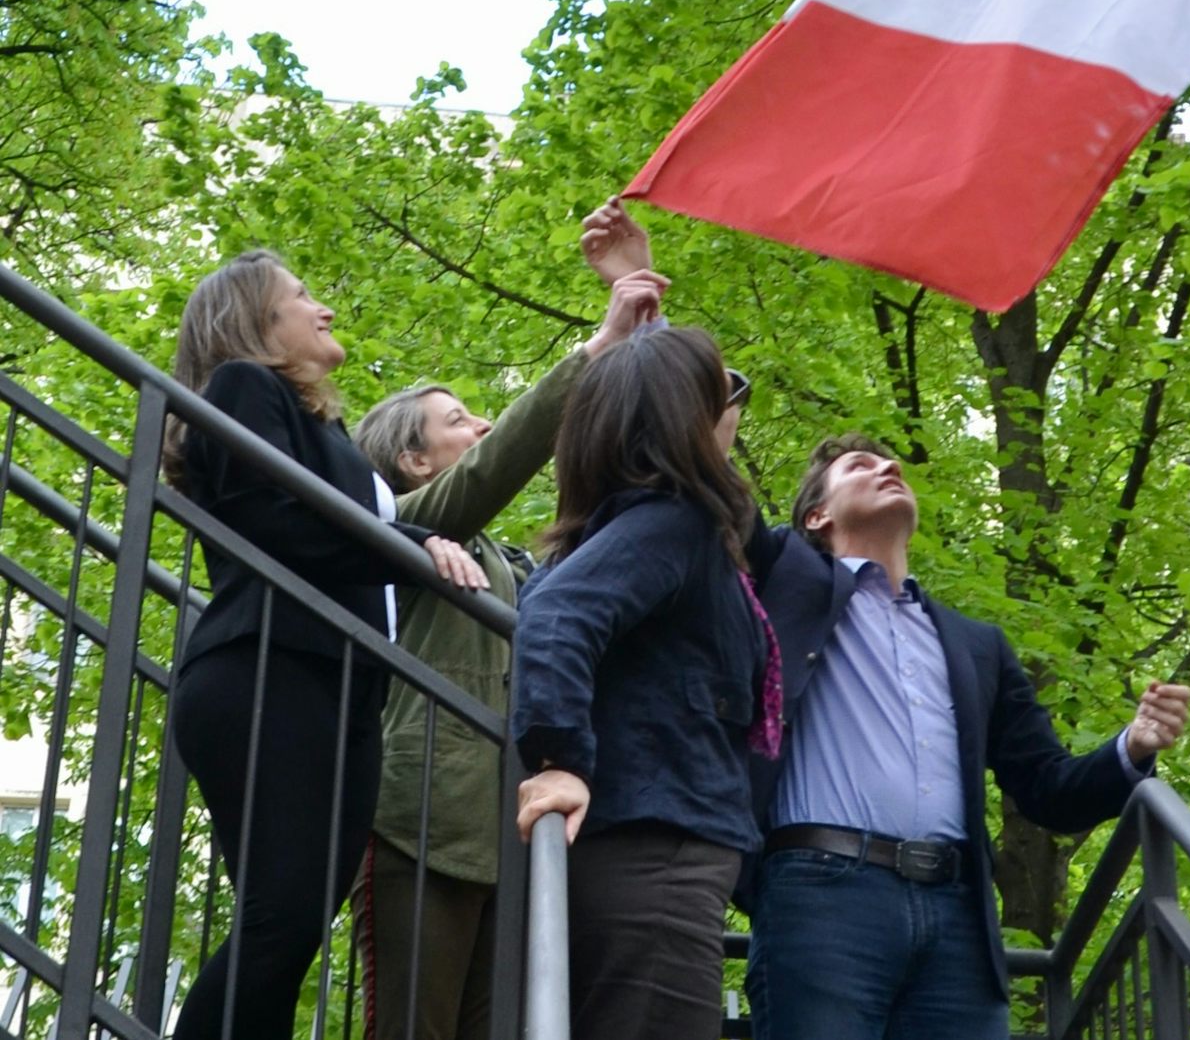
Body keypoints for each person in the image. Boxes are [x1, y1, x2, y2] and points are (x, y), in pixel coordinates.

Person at [743, 434, 1190, 1040]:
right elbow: (712, 496)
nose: (889, 467)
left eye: (891, 462)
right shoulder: (786, 584)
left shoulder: (976, 645)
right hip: (822, 897)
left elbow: (1048, 789)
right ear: (816, 516)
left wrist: (1134, 746)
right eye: (860, 466)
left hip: (959, 917)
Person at [348, 202, 663, 1040]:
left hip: (518, 839)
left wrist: (638, 335)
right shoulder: (404, 525)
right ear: (412, 460)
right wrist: (594, 346)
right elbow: (494, 469)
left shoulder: (511, 561)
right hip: (425, 824)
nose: (481, 427)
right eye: (459, 422)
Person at [162, 252, 488, 1040]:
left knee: (294, 923)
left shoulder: (318, 422)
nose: (324, 308)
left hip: (338, 684)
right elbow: (279, 521)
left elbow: (341, 527)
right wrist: (413, 548)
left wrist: (414, 542)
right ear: (254, 323)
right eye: (302, 296)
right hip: (271, 671)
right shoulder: (244, 384)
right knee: (285, 917)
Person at [511, 327, 776, 1040]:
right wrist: (558, 760)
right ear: (683, 417)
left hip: (656, 848)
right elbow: (559, 615)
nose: (737, 405)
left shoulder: (645, 528)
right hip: (655, 853)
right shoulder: (673, 524)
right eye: (724, 392)